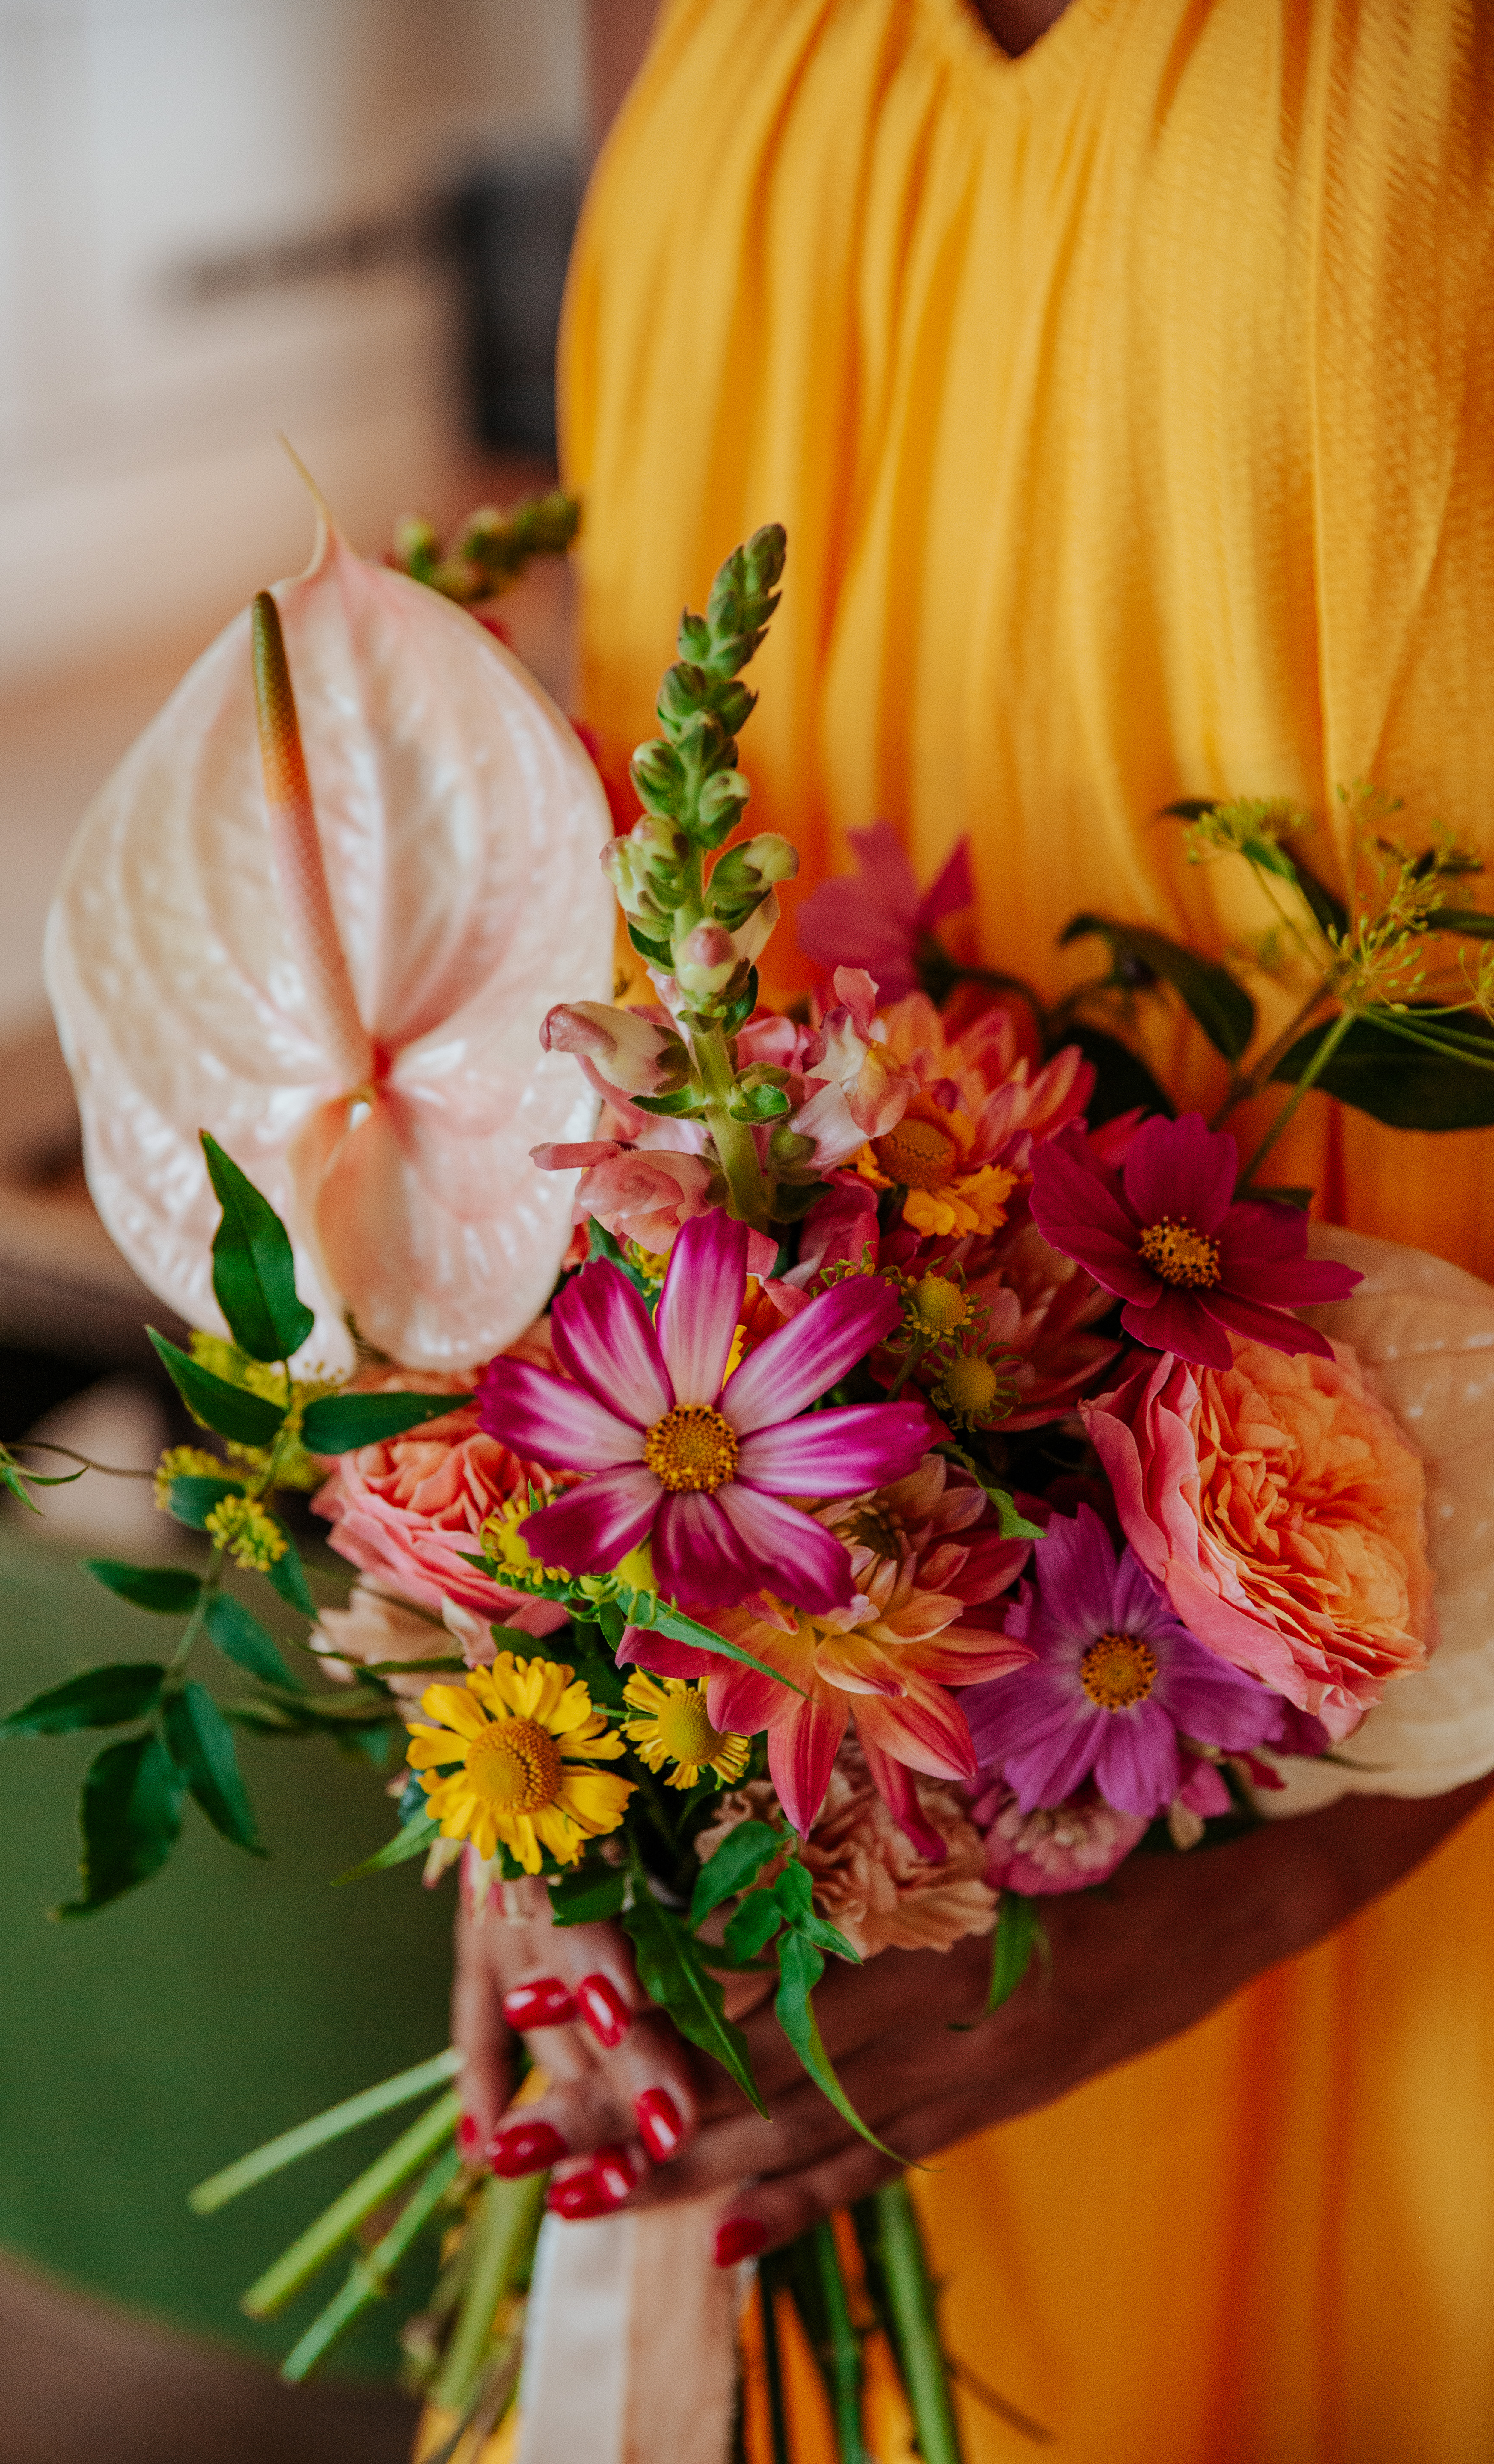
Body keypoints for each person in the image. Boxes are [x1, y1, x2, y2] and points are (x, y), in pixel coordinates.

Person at [454, 4, 1494, 2453]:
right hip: (835, 1787)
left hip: (1398, 1822)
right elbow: (630, 838)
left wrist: (1283, 1863)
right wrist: (536, 1710)